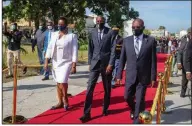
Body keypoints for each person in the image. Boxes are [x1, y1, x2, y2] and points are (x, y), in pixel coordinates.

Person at [116, 18, 157, 124]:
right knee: (127, 97)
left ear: (143, 27)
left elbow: (153, 60)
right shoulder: (127, 40)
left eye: (137, 27)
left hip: (143, 77)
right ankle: (134, 110)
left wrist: (153, 77)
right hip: (130, 75)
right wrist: (118, 75)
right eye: (133, 27)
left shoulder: (150, 40)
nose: (135, 29)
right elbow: (122, 59)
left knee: (139, 101)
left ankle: (136, 122)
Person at [79, 16, 116, 122]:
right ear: (96, 22)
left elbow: (113, 49)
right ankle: (86, 113)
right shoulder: (92, 32)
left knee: (107, 88)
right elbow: (90, 48)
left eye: (101, 21)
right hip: (95, 63)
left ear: (104, 22)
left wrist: (111, 64)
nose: (99, 22)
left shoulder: (110, 32)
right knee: (90, 88)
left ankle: (105, 108)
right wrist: (89, 62)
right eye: (98, 21)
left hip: (106, 64)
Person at [44, 16, 78, 111]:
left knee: (63, 81)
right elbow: (49, 48)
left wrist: (74, 65)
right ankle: (60, 102)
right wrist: (46, 62)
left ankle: (65, 99)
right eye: (59, 24)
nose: (60, 26)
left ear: (66, 25)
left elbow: (74, 51)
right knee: (58, 82)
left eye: (62, 24)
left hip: (66, 62)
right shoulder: (54, 35)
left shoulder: (72, 36)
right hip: (55, 62)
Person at [177, 27, 191, 97]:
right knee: (184, 80)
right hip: (185, 64)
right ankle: (183, 92)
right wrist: (179, 62)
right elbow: (179, 52)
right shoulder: (184, 40)